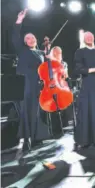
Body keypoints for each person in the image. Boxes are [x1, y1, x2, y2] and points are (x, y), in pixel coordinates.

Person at [11, 9, 51, 150]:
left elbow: (47, 68)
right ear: (24, 42)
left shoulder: (41, 53)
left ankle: (36, 137)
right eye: (27, 38)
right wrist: (19, 20)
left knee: (37, 111)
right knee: (26, 110)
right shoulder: (22, 50)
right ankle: (27, 137)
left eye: (32, 37)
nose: (30, 39)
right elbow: (15, 36)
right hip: (25, 83)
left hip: (38, 84)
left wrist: (47, 53)